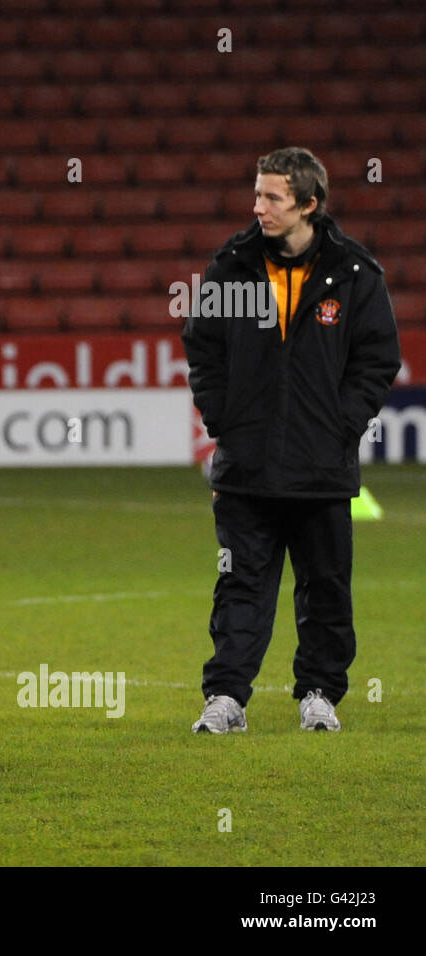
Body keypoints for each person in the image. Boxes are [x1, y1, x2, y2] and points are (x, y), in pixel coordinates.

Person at [182, 147, 400, 734]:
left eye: (271, 197)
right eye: (256, 194)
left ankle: (320, 695)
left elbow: (379, 359)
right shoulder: (232, 266)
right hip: (245, 468)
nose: (258, 208)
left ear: (308, 203)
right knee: (240, 586)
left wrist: (340, 424)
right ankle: (226, 699)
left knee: (326, 589)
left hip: (320, 469)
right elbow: (201, 345)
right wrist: (222, 416)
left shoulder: (355, 274)